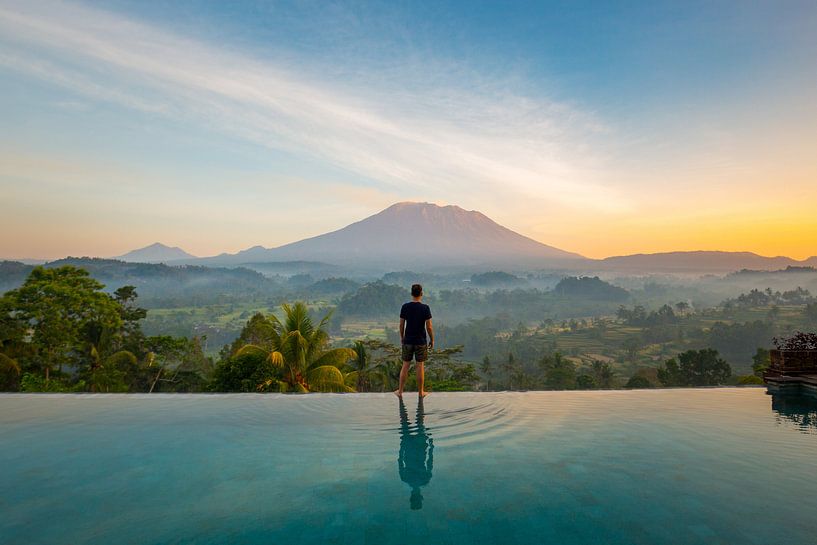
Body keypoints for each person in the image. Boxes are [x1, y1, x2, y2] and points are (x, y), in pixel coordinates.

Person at [395, 283, 433, 398]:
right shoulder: (425, 308)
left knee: (405, 365)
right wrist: (432, 339)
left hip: (408, 341)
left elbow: (401, 325)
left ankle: (400, 391)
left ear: (412, 293)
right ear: (421, 293)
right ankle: (421, 392)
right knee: (420, 366)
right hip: (421, 341)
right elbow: (429, 327)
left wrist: (402, 337)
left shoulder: (405, 307)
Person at [397, 397, 433, 510]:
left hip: (417, 448)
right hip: (413, 448)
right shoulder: (406, 478)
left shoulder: (424, 479)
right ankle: (419, 399)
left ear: (420, 496)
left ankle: (403, 400)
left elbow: (430, 461)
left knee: (418, 421)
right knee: (409, 420)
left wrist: (431, 446)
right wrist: (402, 445)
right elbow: (399, 460)